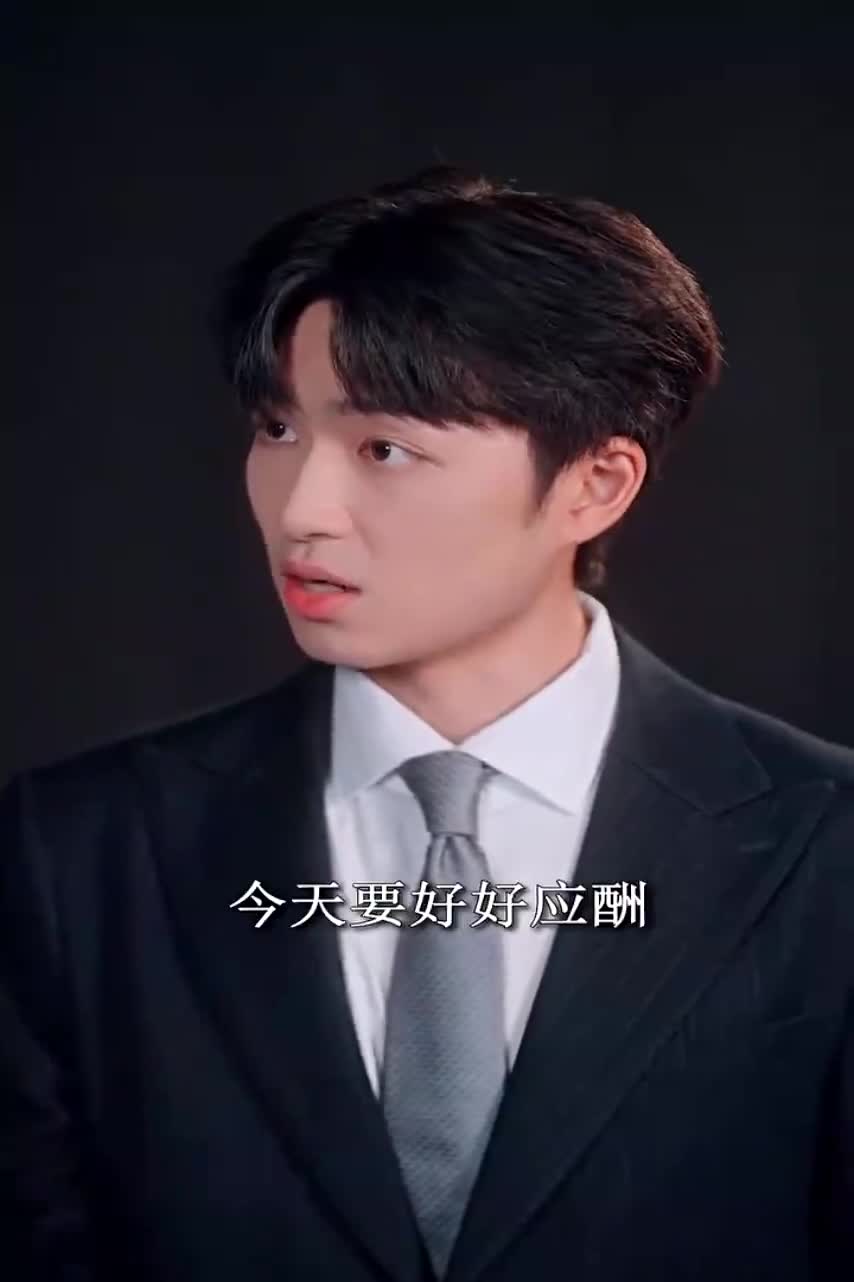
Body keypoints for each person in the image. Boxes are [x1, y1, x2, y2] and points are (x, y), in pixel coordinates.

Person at [1, 165, 852, 1282]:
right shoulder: (79, 850)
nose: (302, 510)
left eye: (384, 449)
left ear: (593, 485)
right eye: (277, 429)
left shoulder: (822, 845)